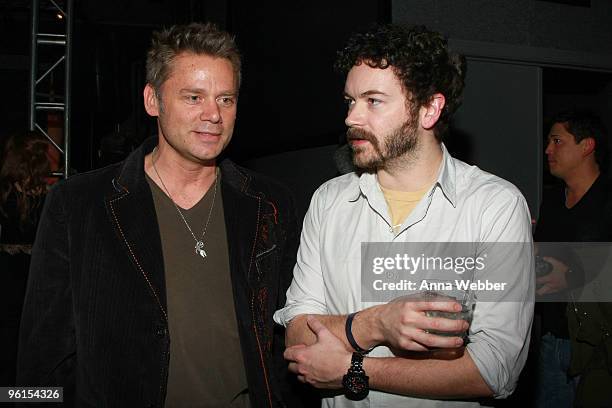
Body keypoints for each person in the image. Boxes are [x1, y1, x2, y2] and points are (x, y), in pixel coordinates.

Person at [17, 22, 308, 407]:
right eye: (193, 97)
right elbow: (39, 365)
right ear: (152, 100)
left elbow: (285, 341)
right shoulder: (78, 205)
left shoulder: (271, 205)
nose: (213, 115)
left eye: (226, 99)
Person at [274, 24, 534, 407]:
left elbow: (495, 369)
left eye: (373, 101)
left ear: (429, 108)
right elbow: (297, 336)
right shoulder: (328, 202)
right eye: (350, 101)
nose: (351, 117)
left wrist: (353, 368)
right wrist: (376, 324)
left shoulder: (495, 207)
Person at [534, 110, 612, 407]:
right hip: (553, 338)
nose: (547, 150)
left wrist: (572, 275)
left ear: (586, 146)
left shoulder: (607, 199)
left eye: (557, 141)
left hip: (597, 346)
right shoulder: (553, 199)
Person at [0, 131, 51, 386]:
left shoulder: (40, 195)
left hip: (19, 272)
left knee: (16, 337)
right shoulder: (44, 196)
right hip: (26, 272)